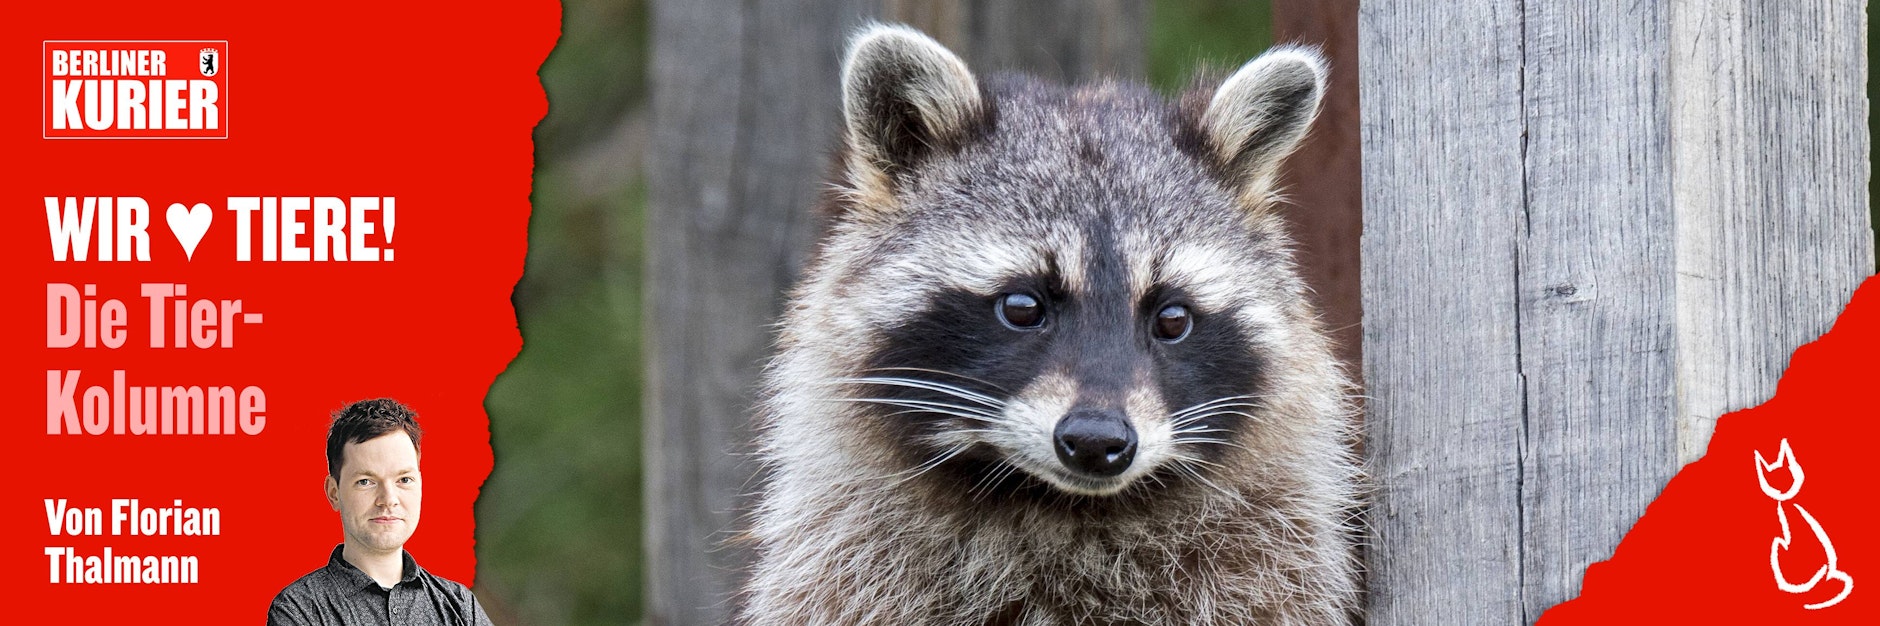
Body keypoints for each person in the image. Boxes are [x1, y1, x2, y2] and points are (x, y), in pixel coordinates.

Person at [268, 398, 491, 626]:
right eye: (366, 481)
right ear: (334, 493)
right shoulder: (299, 610)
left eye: (404, 479)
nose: (388, 500)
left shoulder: (460, 606)